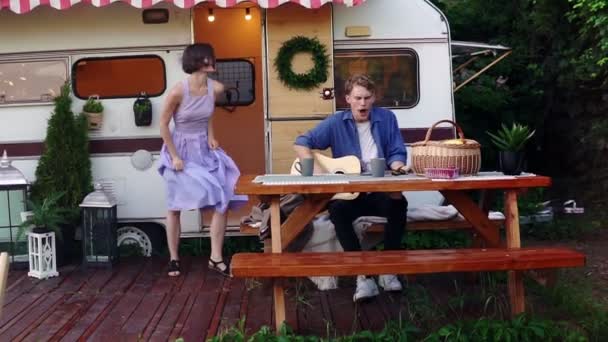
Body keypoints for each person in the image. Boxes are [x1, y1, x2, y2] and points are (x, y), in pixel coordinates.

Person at [294, 74, 409, 302]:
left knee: (399, 203)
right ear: (348, 99)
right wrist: (317, 170)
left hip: (378, 190)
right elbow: (301, 142)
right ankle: (363, 276)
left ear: (374, 97)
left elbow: (396, 151)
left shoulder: (387, 119)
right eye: (357, 98)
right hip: (351, 193)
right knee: (338, 210)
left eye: (367, 98)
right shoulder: (337, 122)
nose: (362, 103)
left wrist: (398, 167)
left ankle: (388, 270)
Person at [159, 43, 247, 277]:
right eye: (208, 58)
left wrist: (211, 136)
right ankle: (174, 258)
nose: (213, 61)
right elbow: (163, 124)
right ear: (197, 61)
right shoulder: (178, 91)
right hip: (181, 150)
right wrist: (175, 156)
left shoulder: (214, 88)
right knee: (175, 205)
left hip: (204, 150)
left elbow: (208, 114)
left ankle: (215, 257)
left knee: (223, 196)